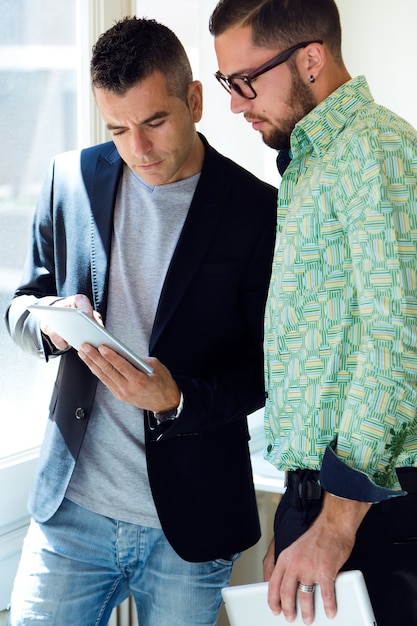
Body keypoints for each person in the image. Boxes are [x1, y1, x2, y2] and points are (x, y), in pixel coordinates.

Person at [4, 16, 277, 626]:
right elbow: (19, 303)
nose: (139, 149)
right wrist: (49, 321)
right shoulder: (69, 178)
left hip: (189, 524)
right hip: (71, 513)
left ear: (196, 100)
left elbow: (270, 369)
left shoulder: (257, 213)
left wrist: (177, 398)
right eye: (118, 128)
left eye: (155, 121)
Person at [210, 2, 417, 626]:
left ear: (310, 59)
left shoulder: (377, 152)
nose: (235, 105)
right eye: (227, 84)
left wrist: (334, 521)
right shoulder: (312, 163)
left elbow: (399, 341)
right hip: (320, 502)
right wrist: (297, 514)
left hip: (370, 510)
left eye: (244, 81)